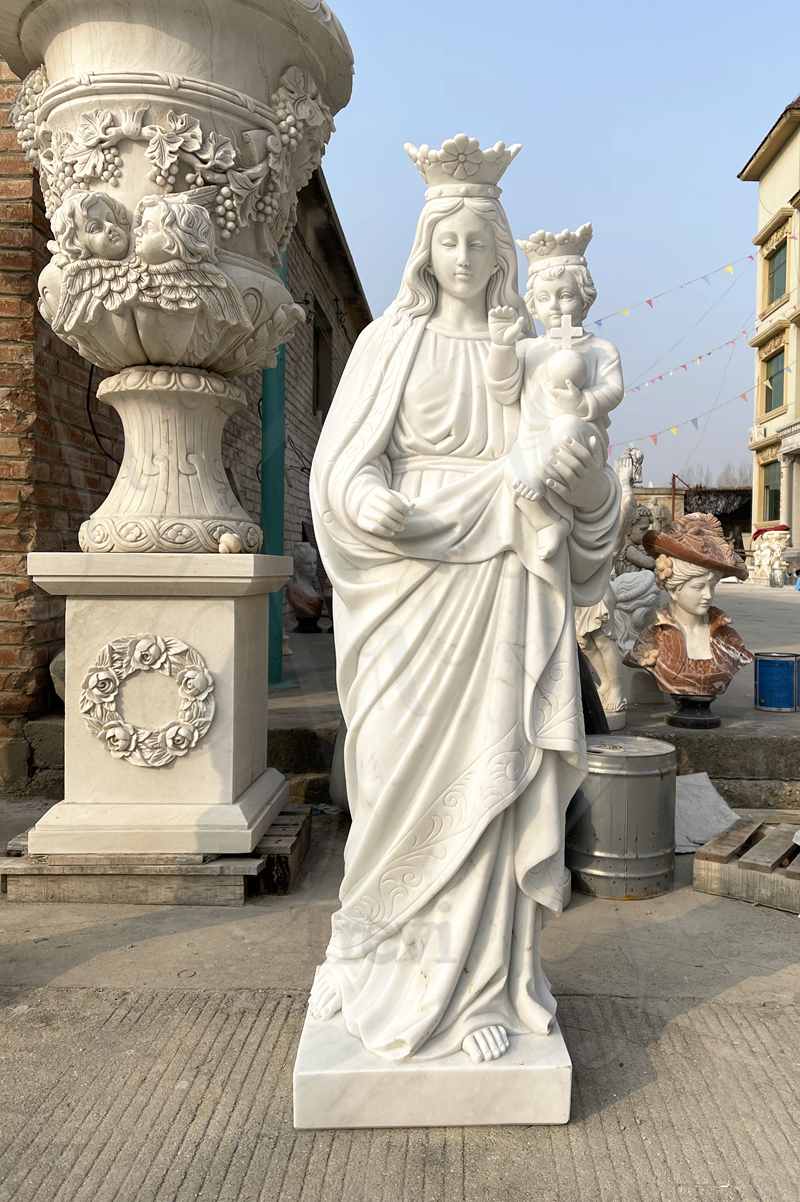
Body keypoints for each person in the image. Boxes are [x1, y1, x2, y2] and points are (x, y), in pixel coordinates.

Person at [308, 134, 621, 1065]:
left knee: (492, 784)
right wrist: (368, 499)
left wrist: (575, 476)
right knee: (399, 773)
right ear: (425, 247)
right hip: (408, 589)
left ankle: (480, 983)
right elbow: (342, 469)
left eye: (482, 242)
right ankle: (375, 955)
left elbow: (583, 498)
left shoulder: (529, 355)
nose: (465, 258)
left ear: (503, 251)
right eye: (450, 240)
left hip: (498, 591)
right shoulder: (385, 344)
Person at [485, 224, 623, 559]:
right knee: (509, 468)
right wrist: (503, 348)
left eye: (566, 295)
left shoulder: (600, 348)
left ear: (584, 298)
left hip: (579, 434)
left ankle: (549, 501)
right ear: (532, 305)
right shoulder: (529, 348)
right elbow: (502, 388)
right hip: (532, 438)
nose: (557, 306)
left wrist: (582, 401)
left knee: (565, 427)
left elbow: (613, 390)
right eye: (545, 298)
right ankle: (547, 522)